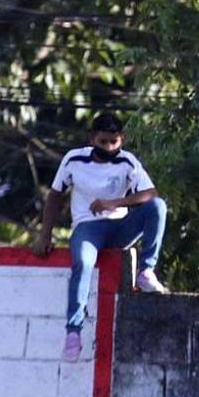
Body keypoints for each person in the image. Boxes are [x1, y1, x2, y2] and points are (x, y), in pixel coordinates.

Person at [31, 113, 169, 361]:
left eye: (114, 142)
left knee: (158, 206)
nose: (109, 147)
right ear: (92, 138)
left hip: (120, 227)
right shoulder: (74, 159)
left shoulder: (127, 162)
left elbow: (150, 193)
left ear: (122, 140)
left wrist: (114, 202)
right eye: (103, 141)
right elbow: (54, 196)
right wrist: (45, 235)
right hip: (88, 227)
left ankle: (147, 271)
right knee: (82, 263)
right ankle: (73, 331)